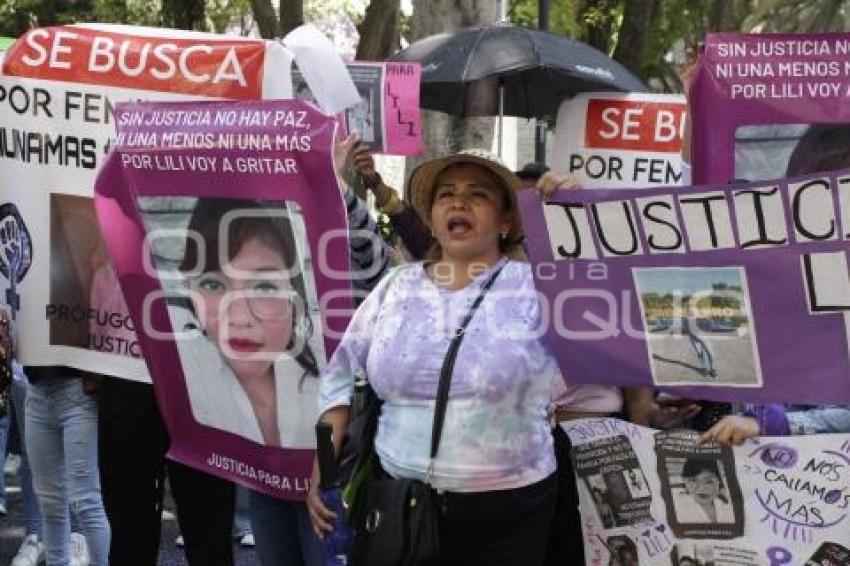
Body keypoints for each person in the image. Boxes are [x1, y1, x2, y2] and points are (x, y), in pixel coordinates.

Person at [307, 149, 587, 565]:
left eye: (478, 194)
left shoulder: (543, 289)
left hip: (506, 514)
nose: (459, 202)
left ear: (506, 221)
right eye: (446, 195)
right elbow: (338, 378)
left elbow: (622, 321)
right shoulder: (394, 288)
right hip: (398, 506)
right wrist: (323, 470)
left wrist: (581, 217)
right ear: (432, 218)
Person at [170, 198, 320, 448]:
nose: (239, 318)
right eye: (213, 285)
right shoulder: (182, 380)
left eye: (264, 287)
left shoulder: (327, 374)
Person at [672, 458, 734, 524]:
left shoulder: (726, 505)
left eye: (709, 481)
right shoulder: (677, 506)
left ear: (719, 482)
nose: (702, 488)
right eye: (693, 480)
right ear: (685, 482)